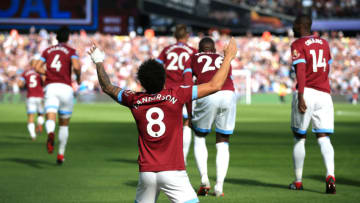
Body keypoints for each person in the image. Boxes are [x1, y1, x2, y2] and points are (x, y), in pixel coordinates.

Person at [88, 37, 237, 203]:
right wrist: (229, 57)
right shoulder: (176, 95)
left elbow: (107, 87)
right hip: (174, 171)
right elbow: (214, 85)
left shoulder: (134, 99)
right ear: (164, 78)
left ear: (142, 82)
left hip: (147, 173)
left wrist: (98, 61)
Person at [289, 15, 336, 194]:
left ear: (302, 26)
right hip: (324, 94)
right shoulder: (324, 43)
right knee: (324, 137)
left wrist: (301, 95)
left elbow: (300, 70)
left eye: (294, 24)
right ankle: (330, 175)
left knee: (299, 137)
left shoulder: (298, 44)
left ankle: (298, 181)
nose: (292, 27)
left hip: (306, 92)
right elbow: (327, 67)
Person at [187, 37, 236, 197]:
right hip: (229, 93)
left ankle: (204, 180)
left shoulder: (193, 57)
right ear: (214, 50)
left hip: (208, 92)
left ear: (199, 50)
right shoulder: (223, 58)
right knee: (223, 141)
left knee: (200, 135)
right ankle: (219, 187)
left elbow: (188, 82)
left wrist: (189, 109)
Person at [35, 26, 81, 164]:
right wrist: (78, 78)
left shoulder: (47, 50)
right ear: (68, 37)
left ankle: (50, 133)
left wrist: (47, 73)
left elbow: (37, 67)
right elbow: (77, 67)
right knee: (64, 124)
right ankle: (60, 154)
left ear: (57, 37)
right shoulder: (71, 51)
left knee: (50, 113)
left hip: (51, 87)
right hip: (66, 88)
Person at [156, 24, 197, 165]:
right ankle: (182, 159)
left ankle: (167, 156)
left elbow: (156, 66)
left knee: (169, 123)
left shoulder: (167, 50)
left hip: (169, 90)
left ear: (175, 36)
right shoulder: (192, 51)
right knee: (187, 123)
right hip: (185, 90)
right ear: (187, 36)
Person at [18, 56, 45, 141]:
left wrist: (25, 85)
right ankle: (40, 124)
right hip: (40, 96)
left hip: (30, 97)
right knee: (41, 114)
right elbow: (45, 81)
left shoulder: (25, 73)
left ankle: (33, 135)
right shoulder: (40, 72)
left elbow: (19, 84)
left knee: (31, 116)